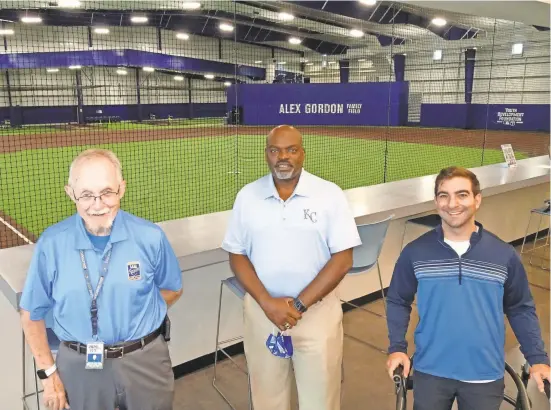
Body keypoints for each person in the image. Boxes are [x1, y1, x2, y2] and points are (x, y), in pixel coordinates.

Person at [20, 149, 183, 410]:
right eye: (86, 194)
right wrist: (49, 376)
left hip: (146, 361)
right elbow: (31, 315)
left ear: (122, 189)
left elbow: (172, 289)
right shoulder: (51, 244)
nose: (98, 204)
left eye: (107, 192)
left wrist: (134, 314)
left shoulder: (151, 237)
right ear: (70, 193)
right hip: (80, 366)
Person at [385, 166, 550, 410]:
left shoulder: (503, 255)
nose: (452, 204)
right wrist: (397, 348)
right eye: (444, 195)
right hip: (430, 371)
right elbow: (398, 300)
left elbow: (519, 308)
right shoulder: (415, 252)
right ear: (436, 201)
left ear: (477, 200)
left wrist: (537, 359)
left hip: (484, 374)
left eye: (462, 195)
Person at [222, 125, 361, 410]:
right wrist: (267, 303)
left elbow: (343, 259)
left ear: (303, 154)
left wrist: (297, 306)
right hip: (263, 314)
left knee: (320, 401)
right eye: (274, 150)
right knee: (267, 399)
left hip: (316, 316)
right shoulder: (247, 197)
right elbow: (237, 255)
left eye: (291, 150)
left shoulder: (329, 195)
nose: (282, 157)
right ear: (266, 155)